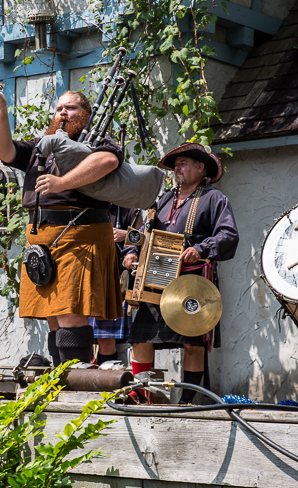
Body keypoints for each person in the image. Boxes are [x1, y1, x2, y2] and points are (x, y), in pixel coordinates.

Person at [0, 80, 124, 365]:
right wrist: (0, 107)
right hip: (42, 237)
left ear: (85, 114)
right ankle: (62, 376)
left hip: (79, 233)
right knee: (52, 311)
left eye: (71, 108)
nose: (63, 113)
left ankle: (78, 377)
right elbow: (5, 151)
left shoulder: (95, 140)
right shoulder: (41, 146)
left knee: (70, 308)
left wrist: (62, 182)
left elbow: (108, 162)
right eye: (59, 108)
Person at [123, 143, 239, 404]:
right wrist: (131, 251)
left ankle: (186, 401)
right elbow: (143, 231)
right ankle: (142, 395)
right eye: (176, 164)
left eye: (183, 162)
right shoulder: (162, 200)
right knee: (141, 338)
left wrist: (200, 248)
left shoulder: (214, 199)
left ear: (201, 168)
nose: (177, 167)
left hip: (193, 282)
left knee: (192, 343)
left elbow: (228, 235)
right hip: (155, 279)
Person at [89, 205, 142, 365]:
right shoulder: (85, 205)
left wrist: (126, 235)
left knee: (106, 340)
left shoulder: (130, 210)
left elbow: (147, 238)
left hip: (115, 282)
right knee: (79, 337)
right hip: (86, 276)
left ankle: (107, 386)